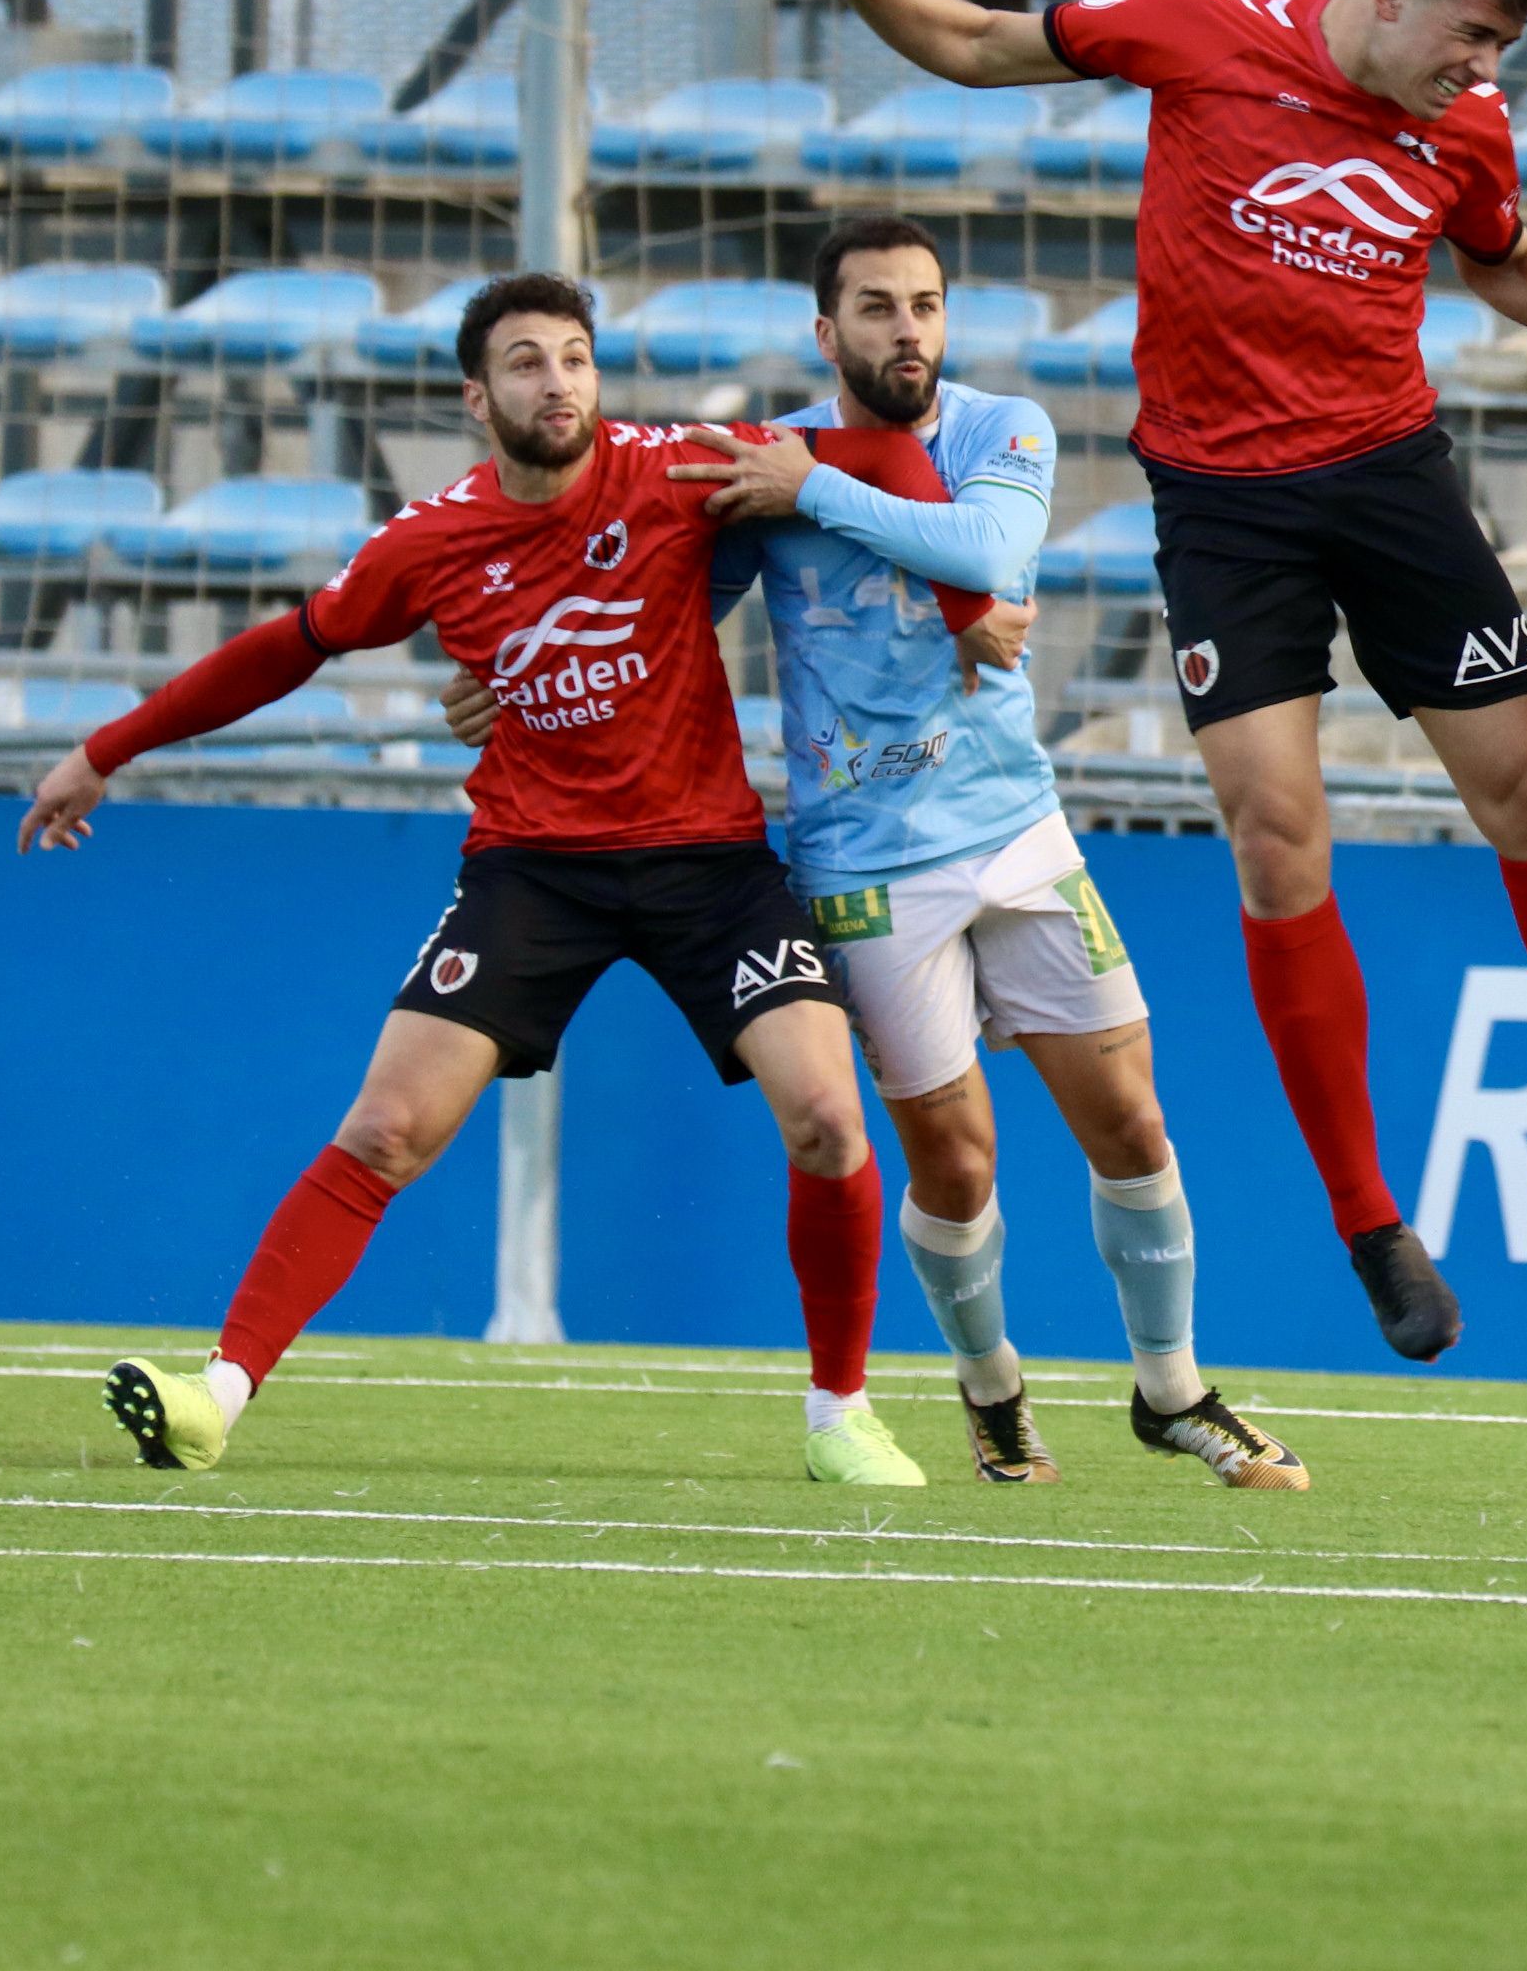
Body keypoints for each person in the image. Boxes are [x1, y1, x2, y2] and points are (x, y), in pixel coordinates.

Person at [762, 0, 1527, 1339]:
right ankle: (1373, 1227)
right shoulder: (1195, 28)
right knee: (1279, 836)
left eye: (1508, 51)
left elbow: (1499, 259)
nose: (1487, 73)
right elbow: (980, 45)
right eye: (1476, 36)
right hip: (1227, 510)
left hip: (1395, 483)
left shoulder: (1465, 128)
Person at [24, 272, 990, 1487]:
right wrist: (105, 750)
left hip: (708, 862)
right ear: (478, 399)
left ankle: (839, 1413)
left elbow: (882, 457)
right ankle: (214, 1396)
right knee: (384, 1129)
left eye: (576, 357)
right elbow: (286, 649)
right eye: (528, 363)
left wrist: (969, 601)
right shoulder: (430, 542)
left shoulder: (678, 467)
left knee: (831, 1118)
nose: (559, 382)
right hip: (532, 869)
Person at [441, 216, 1304, 1491]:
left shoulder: (999, 428)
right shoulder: (759, 470)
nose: (909, 330)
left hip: (1017, 833)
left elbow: (992, 553)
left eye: (926, 305)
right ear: (825, 330)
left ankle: (1171, 1388)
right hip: (863, 865)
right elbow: (651, 601)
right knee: (956, 1158)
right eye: (880, 308)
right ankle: (991, 1389)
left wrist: (817, 490)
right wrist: (503, 668)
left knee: (1131, 1119)